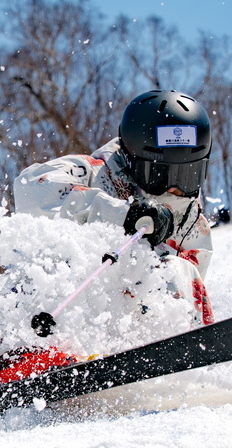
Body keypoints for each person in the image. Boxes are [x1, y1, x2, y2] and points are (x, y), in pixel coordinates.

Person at [13, 89, 215, 327]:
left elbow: (189, 281)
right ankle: (28, 352)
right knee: (56, 253)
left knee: (177, 269)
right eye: (162, 175)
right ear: (131, 159)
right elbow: (31, 189)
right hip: (56, 315)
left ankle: (175, 347)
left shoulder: (190, 219)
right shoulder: (94, 172)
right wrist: (121, 214)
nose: (175, 188)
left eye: (189, 176)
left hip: (125, 330)